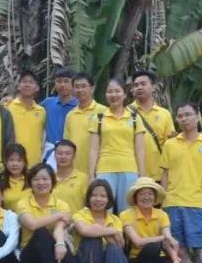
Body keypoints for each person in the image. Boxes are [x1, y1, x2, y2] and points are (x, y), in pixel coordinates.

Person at [16, 162, 86, 263]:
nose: (41, 183)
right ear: (30, 183)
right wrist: (58, 215)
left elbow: (59, 228)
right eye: (36, 179)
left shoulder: (61, 204)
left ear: (52, 182)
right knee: (41, 231)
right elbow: (32, 224)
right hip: (31, 256)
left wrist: (60, 243)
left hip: (55, 255)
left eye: (45, 179)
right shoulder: (23, 203)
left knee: (61, 241)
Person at [160, 103, 202, 263]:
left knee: (200, 248)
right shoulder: (169, 144)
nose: (184, 119)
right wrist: (162, 200)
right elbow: (165, 174)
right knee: (178, 248)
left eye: (188, 114)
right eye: (180, 116)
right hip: (171, 202)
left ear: (198, 116)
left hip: (196, 203)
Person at [73, 179, 137, 263]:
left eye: (103, 196)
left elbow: (120, 245)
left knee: (114, 248)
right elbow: (84, 231)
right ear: (88, 197)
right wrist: (110, 231)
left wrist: (99, 229)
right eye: (94, 195)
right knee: (92, 239)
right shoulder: (80, 215)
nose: (98, 199)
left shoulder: (115, 219)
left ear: (109, 199)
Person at [88, 77, 146, 213]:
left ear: (124, 94)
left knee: (128, 211)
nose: (113, 95)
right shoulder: (99, 118)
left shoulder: (134, 118)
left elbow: (140, 150)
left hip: (129, 169)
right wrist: (91, 176)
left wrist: (142, 176)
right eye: (109, 91)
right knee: (103, 209)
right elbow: (93, 149)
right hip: (104, 169)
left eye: (117, 91)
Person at [120, 177, 182, 263]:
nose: (146, 197)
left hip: (156, 260)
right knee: (152, 247)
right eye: (142, 194)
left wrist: (176, 261)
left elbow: (169, 241)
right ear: (135, 197)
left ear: (155, 197)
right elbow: (138, 242)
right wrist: (163, 237)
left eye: (150, 193)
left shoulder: (162, 215)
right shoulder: (126, 214)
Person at [129, 69, 176, 182]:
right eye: (136, 85)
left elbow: (170, 145)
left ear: (153, 87)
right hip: (131, 173)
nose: (139, 87)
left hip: (158, 174)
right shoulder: (126, 112)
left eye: (143, 84)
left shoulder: (164, 114)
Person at [63, 73, 106, 174]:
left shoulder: (103, 111)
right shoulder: (70, 115)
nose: (80, 90)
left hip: (99, 169)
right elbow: (67, 143)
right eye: (76, 87)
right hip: (76, 170)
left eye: (83, 86)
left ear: (92, 88)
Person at [5, 71, 47, 167]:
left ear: (37, 88)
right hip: (14, 163)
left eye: (31, 82)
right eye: (24, 81)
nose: (27, 85)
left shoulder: (41, 111)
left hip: (35, 163)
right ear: (19, 86)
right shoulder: (8, 106)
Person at [41, 66, 78, 150]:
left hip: (72, 150)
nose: (62, 85)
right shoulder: (47, 103)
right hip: (51, 151)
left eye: (66, 81)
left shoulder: (79, 106)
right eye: (59, 81)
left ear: (73, 84)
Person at [53, 139, 88, 212]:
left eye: (68, 153)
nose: (63, 156)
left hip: (75, 219)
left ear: (74, 156)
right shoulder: (49, 178)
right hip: (51, 219)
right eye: (59, 153)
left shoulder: (83, 179)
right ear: (54, 155)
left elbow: (88, 205)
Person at [0, 143, 29, 211]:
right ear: (5, 162)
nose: (15, 164)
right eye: (11, 160)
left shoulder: (32, 179)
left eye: (19, 160)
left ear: (24, 162)